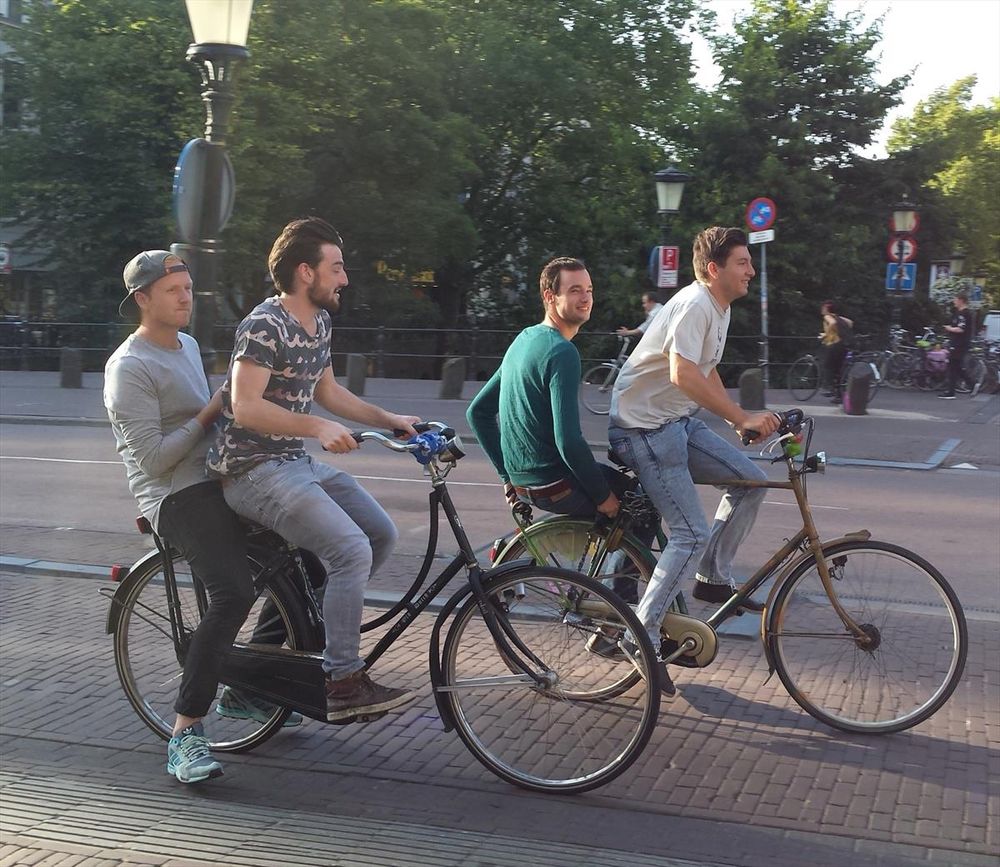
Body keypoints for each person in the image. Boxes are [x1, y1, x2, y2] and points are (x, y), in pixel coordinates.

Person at [206, 217, 420, 722]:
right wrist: (317, 428)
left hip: (293, 464)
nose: (344, 278)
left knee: (378, 535)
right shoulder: (263, 324)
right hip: (252, 470)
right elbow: (246, 404)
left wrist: (389, 420)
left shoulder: (320, 323)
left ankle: (303, 638)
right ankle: (342, 680)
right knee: (348, 550)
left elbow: (327, 390)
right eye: (337, 268)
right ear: (307, 272)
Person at [105, 250, 284, 786]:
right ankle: (186, 732)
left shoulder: (186, 345)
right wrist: (211, 410)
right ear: (142, 299)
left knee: (311, 552)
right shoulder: (129, 368)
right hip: (173, 496)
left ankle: (249, 688)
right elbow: (155, 460)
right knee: (232, 592)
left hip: (216, 478)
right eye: (172, 290)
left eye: (187, 287)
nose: (186, 298)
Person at [608, 226, 780, 666]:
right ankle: (639, 637)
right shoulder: (694, 304)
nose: (751, 270)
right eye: (742, 263)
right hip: (643, 429)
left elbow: (705, 370)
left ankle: (711, 576)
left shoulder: (718, 307)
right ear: (712, 269)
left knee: (751, 482)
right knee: (689, 533)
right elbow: (682, 374)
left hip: (675, 422)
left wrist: (734, 418)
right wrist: (741, 417)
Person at [940, 292, 976, 399]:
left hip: (959, 343)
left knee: (953, 365)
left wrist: (949, 328)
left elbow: (961, 329)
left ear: (961, 300)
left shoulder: (964, 314)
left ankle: (954, 391)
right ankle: (969, 385)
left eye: (955, 300)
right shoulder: (958, 313)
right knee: (955, 366)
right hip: (956, 342)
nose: (954, 302)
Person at [819, 300, 853, 403]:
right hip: (843, 345)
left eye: (823, 308)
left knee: (827, 366)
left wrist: (827, 334)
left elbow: (832, 323)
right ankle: (839, 396)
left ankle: (829, 388)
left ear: (826, 309)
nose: (822, 309)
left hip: (834, 345)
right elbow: (851, 323)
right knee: (839, 370)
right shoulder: (839, 317)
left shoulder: (828, 317)